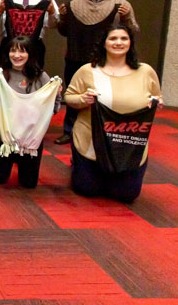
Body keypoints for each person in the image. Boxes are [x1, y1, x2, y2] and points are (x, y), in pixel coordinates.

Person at [64, 25, 162, 203]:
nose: (118, 42)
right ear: (104, 43)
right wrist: (82, 100)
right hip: (91, 143)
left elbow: (156, 95)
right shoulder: (88, 70)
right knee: (87, 189)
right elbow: (69, 97)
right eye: (113, 38)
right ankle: (78, 165)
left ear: (130, 43)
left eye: (124, 39)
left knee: (125, 195)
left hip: (128, 143)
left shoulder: (145, 71)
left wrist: (156, 102)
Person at [54, 0, 140, 145]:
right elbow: (64, 31)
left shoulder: (121, 5)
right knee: (73, 95)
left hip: (105, 61)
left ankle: (103, 131)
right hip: (75, 57)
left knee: (103, 97)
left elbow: (133, 31)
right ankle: (69, 131)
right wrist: (62, 18)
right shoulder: (74, 5)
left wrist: (126, 19)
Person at [0, 36, 61, 188]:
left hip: (30, 137)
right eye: (13, 51)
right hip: (4, 137)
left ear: (30, 54)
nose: (17, 55)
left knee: (28, 183)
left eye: (22, 51)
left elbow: (53, 109)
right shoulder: (0, 75)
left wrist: (56, 93)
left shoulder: (40, 76)